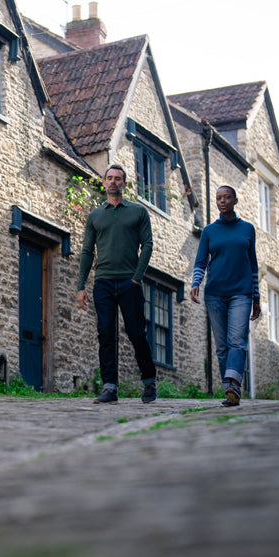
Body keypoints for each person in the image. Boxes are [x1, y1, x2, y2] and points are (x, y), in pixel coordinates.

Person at [77, 164, 157, 404]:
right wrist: (81, 286)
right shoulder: (95, 215)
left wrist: (137, 277)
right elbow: (87, 251)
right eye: (109, 178)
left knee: (136, 333)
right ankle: (110, 388)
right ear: (104, 182)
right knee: (105, 333)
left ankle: (149, 382)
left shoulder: (138, 212)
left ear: (124, 183)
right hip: (103, 282)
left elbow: (148, 245)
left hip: (128, 282)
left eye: (118, 178)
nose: (113, 182)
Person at [190, 185, 261, 407]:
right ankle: (229, 390)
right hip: (215, 294)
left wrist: (256, 297)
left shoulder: (247, 229)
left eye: (227, 197)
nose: (222, 201)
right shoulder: (210, 231)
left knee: (237, 342)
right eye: (219, 198)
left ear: (235, 201)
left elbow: (253, 265)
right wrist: (196, 283)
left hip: (241, 293)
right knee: (221, 346)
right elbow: (201, 261)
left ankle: (234, 385)